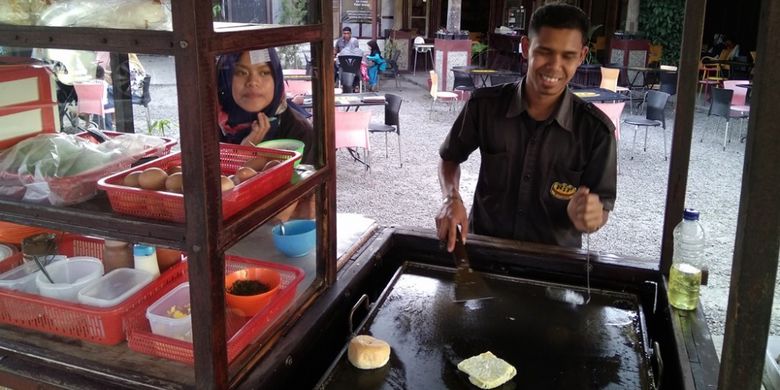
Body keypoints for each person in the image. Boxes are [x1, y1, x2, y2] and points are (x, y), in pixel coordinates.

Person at [435, 3, 616, 252]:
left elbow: (601, 208)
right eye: (545, 52)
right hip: (484, 251)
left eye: (568, 56)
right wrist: (451, 197)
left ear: (582, 56)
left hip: (555, 265)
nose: (554, 65)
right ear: (526, 47)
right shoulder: (484, 106)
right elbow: (450, 158)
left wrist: (592, 217)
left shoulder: (596, 131)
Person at [216, 48, 315, 165]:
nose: (253, 81)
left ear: (276, 79)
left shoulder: (298, 131)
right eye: (241, 72)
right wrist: (240, 156)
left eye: (264, 72)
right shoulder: (209, 129)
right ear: (226, 80)